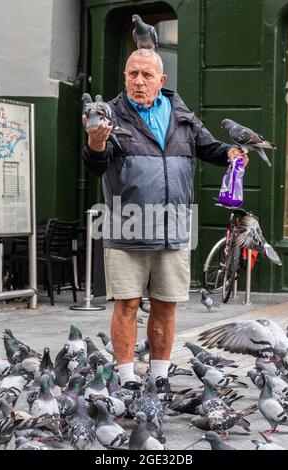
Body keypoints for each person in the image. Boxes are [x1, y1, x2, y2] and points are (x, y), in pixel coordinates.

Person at [82, 48, 248, 396]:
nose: (138, 81)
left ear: (162, 80)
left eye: (146, 74)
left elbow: (209, 148)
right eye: (132, 74)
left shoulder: (182, 115)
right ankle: (127, 374)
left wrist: (229, 153)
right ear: (125, 76)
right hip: (127, 225)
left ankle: (159, 374)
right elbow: (96, 165)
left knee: (166, 304)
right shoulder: (111, 115)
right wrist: (96, 144)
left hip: (173, 225)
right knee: (126, 304)